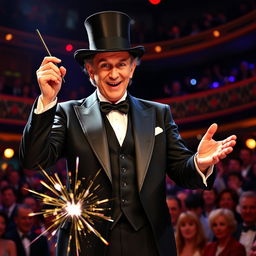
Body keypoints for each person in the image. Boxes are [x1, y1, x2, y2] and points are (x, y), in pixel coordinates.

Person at [19, 11, 237, 256]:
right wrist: (47, 101)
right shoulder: (68, 113)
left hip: (149, 242)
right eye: (105, 66)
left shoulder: (159, 114)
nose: (114, 74)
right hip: (88, 244)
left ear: (132, 68)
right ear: (91, 71)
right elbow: (33, 160)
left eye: (121, 64)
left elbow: (180, 171)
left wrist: (199, 162)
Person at [235, 191, 256, 256]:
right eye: (244, 207)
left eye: (252, 207)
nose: (248, 211)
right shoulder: (233, 230)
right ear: (240, 209)